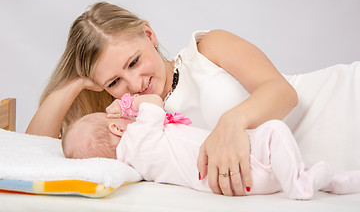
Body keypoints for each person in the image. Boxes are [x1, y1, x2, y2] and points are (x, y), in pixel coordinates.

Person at [26, 1, 360, 196]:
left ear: (149, 35)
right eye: (114, 80)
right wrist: (74, 83)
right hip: (322, 171)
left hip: (343, 103)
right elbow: (32, 152)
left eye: (134, 61)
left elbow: (283, 93)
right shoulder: (133, 128)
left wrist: (231, 121)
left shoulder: (206, 48)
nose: (134, 83)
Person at [62, 93, 360, 200]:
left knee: (272, 146)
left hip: (235, 178)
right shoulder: (138, 138)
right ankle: (299, 185)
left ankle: (333, 182)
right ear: (115, 126)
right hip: (238, 168)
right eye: (112, 117)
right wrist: (127, 103)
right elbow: (153, 102)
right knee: (274, 130)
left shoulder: (135, 165)